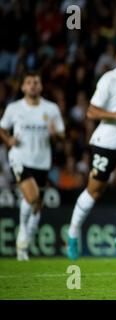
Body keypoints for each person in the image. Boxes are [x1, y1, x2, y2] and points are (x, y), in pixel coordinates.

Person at [66, 42, 116, 260]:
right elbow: (91, 111)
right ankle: (73, 233)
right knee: (94, 191)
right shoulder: (109, 80)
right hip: (106, 143)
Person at [0, 72, 65, 261]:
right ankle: (22, 234)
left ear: (41, 86)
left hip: (42, 162)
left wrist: (55, 134)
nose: (33, 86)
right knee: (32, 196)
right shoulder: (14, 108)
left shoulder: (51, 109)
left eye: (36, 82)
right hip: (19, 159)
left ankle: (24, 245)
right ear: (23, 88)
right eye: (29, 83)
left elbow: (62, 135)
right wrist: (8, 140)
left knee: (37, 206)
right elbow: (1, 128)